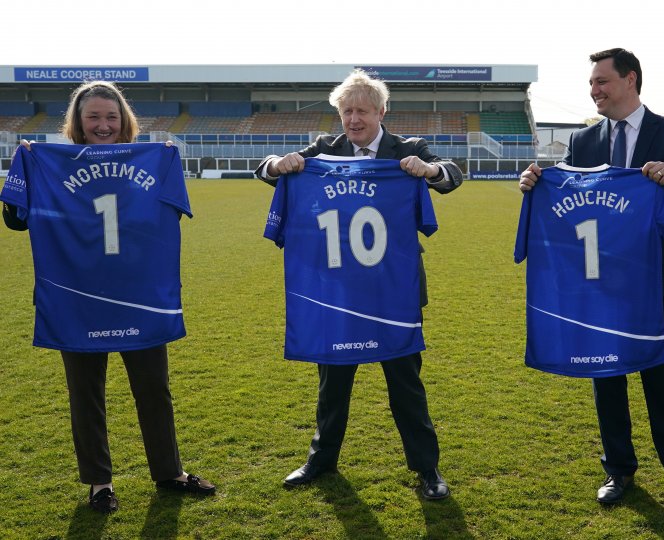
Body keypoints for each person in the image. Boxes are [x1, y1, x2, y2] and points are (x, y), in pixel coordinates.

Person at [1, 81, 215, 513]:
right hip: (77, 294)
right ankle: (99, 483)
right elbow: (17, 222)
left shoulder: (152, 159)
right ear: (78, 122)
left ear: (125, 120)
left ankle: (169, 472)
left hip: (139, 294)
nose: (103, 125)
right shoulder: (49, 163)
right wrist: (23, 165)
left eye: (111, 117)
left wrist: (166, 157)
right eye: (93, 117)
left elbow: (171, 210)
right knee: (86, 392)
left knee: (154, 388)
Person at [519, 48, 664, 523]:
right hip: (599, 283)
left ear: (630, 80)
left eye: (602, 81)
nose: (594, 90)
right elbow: (565, 187)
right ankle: (619, 471)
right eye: (591, 83)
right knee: (606, 375)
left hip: (656, 282)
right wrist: (534, 181)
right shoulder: (582, 139)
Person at [255, 69, 462, 499]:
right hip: (339, 290)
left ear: (381, 112)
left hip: (394, 291)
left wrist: (429, 170)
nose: (353, 119)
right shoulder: (324, 149)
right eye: (346, 111)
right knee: (333, 382)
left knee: (405, 383)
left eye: (361, 111)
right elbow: (268, 171)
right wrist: (278, 164)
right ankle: (321, 459)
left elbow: (452, 174)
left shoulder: (407, 149)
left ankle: (427, 469)